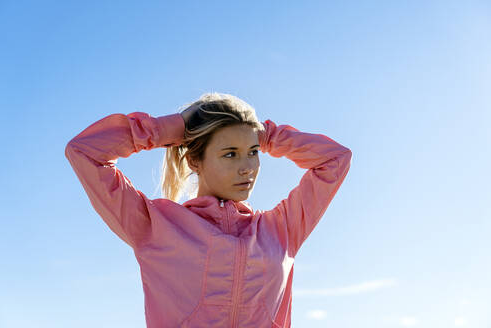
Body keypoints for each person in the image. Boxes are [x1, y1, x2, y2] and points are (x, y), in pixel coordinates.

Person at [64, 92, 352, 328]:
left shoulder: (281, 230)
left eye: (253, 153)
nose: (247, 167)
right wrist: (170, 128)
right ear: (194, 162)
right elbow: (86, 151)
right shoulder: (154, 226)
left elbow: (335, 159)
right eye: (230, 154)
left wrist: (262, 135)